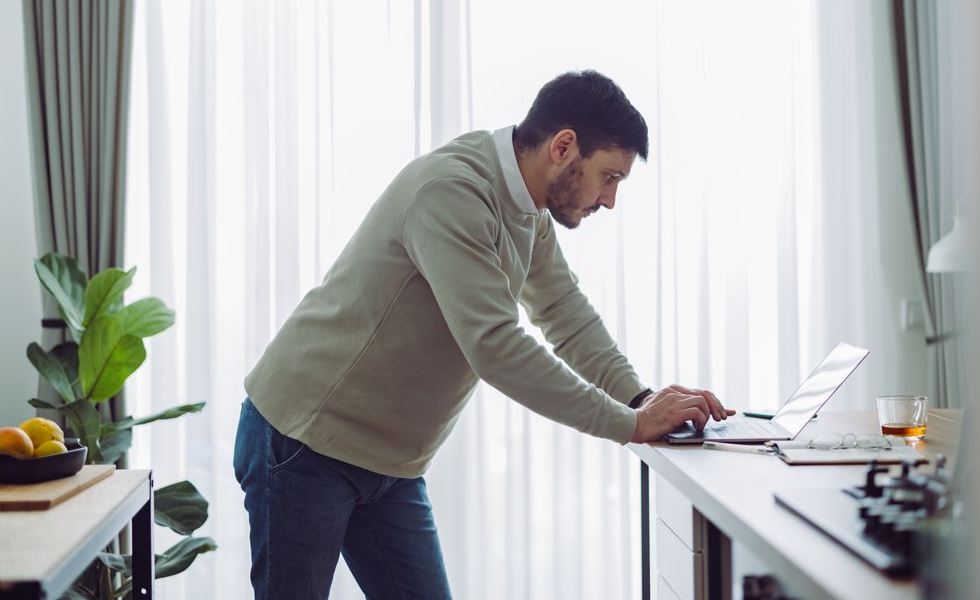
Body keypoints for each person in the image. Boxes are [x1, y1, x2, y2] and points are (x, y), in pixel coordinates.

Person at [233, 70, 729, 599]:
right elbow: (495, 346)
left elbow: (563, 311)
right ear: (564, 147)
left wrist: (641, 398)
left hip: (389, 463)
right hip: (305, 440)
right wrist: (628, 424)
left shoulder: (528, 209)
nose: (608, 200)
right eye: (609, 177)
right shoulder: (454, 191)